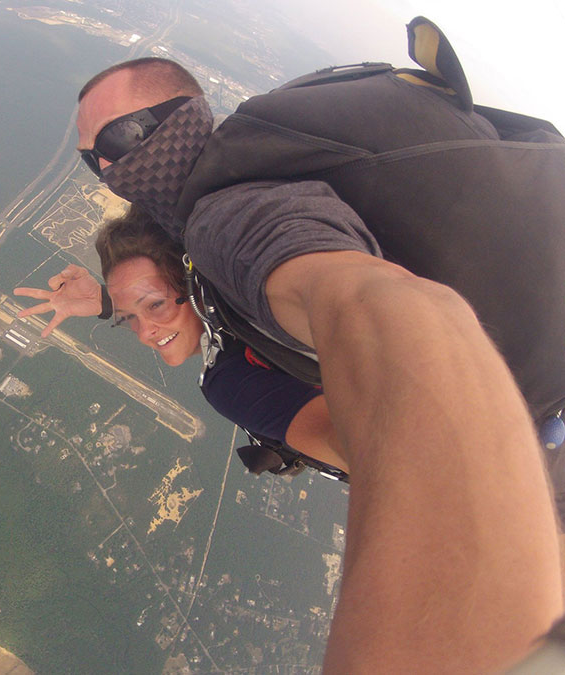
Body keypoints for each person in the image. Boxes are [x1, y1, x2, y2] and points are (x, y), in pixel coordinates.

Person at [70, 18, 564, 675]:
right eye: (90, 158)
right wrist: (113, 302)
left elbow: (371, 303)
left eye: (120, 138)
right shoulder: (272, 145)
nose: (107, 165)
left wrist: (462, 622)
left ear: (183, 114)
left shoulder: (223, 219)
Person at [14, 206, 349, 474]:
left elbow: (360, 450)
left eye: (155, 306)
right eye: (129, 318)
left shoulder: (230, 381)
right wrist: (113, 302)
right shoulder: (256, 301)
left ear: (196, 286)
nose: (144, 333)